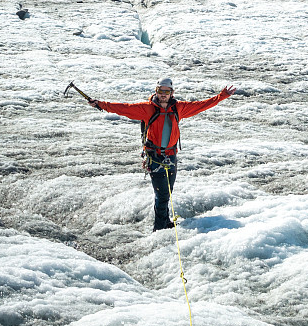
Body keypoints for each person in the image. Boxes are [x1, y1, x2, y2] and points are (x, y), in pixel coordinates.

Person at [89, 77, 236, 231]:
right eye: (161, 91)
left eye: (167, 91)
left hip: (171, 156)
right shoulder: (147, 109)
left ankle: (165, 222)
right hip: (155, 157)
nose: (163, 94)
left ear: (172, 93)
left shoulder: (179, 108)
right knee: (162, 195)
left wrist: (222, 96)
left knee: (167, 193)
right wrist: (100, 104)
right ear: (156, 91)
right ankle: (159, 229)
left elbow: (201, 105)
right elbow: (123, 108)